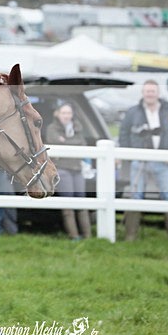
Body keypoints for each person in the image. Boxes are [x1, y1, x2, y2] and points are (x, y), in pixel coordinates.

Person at [118, 79, 168, 240]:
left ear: (158, 93)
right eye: (147, 91)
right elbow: (123, 134)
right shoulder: (133, 112)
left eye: (153, 91)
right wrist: (129, 154)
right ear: (143, 93)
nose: (150, 94)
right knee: (136, 196)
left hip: (163, 162)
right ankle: (130, 235)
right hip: (140, 161)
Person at [45, 102, 92, 240]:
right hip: (62, 168)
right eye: (64, 113)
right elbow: (55, 143)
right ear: (58, 114)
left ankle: (88, 235)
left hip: (77, 168)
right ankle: (74, 235)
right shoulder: (52, 128)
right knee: (68, 203)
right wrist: (71, 143)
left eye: (69, 113)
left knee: (81, 202)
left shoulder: (78, 128)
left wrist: (65, 141)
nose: (66, 116)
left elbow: (82, 144)